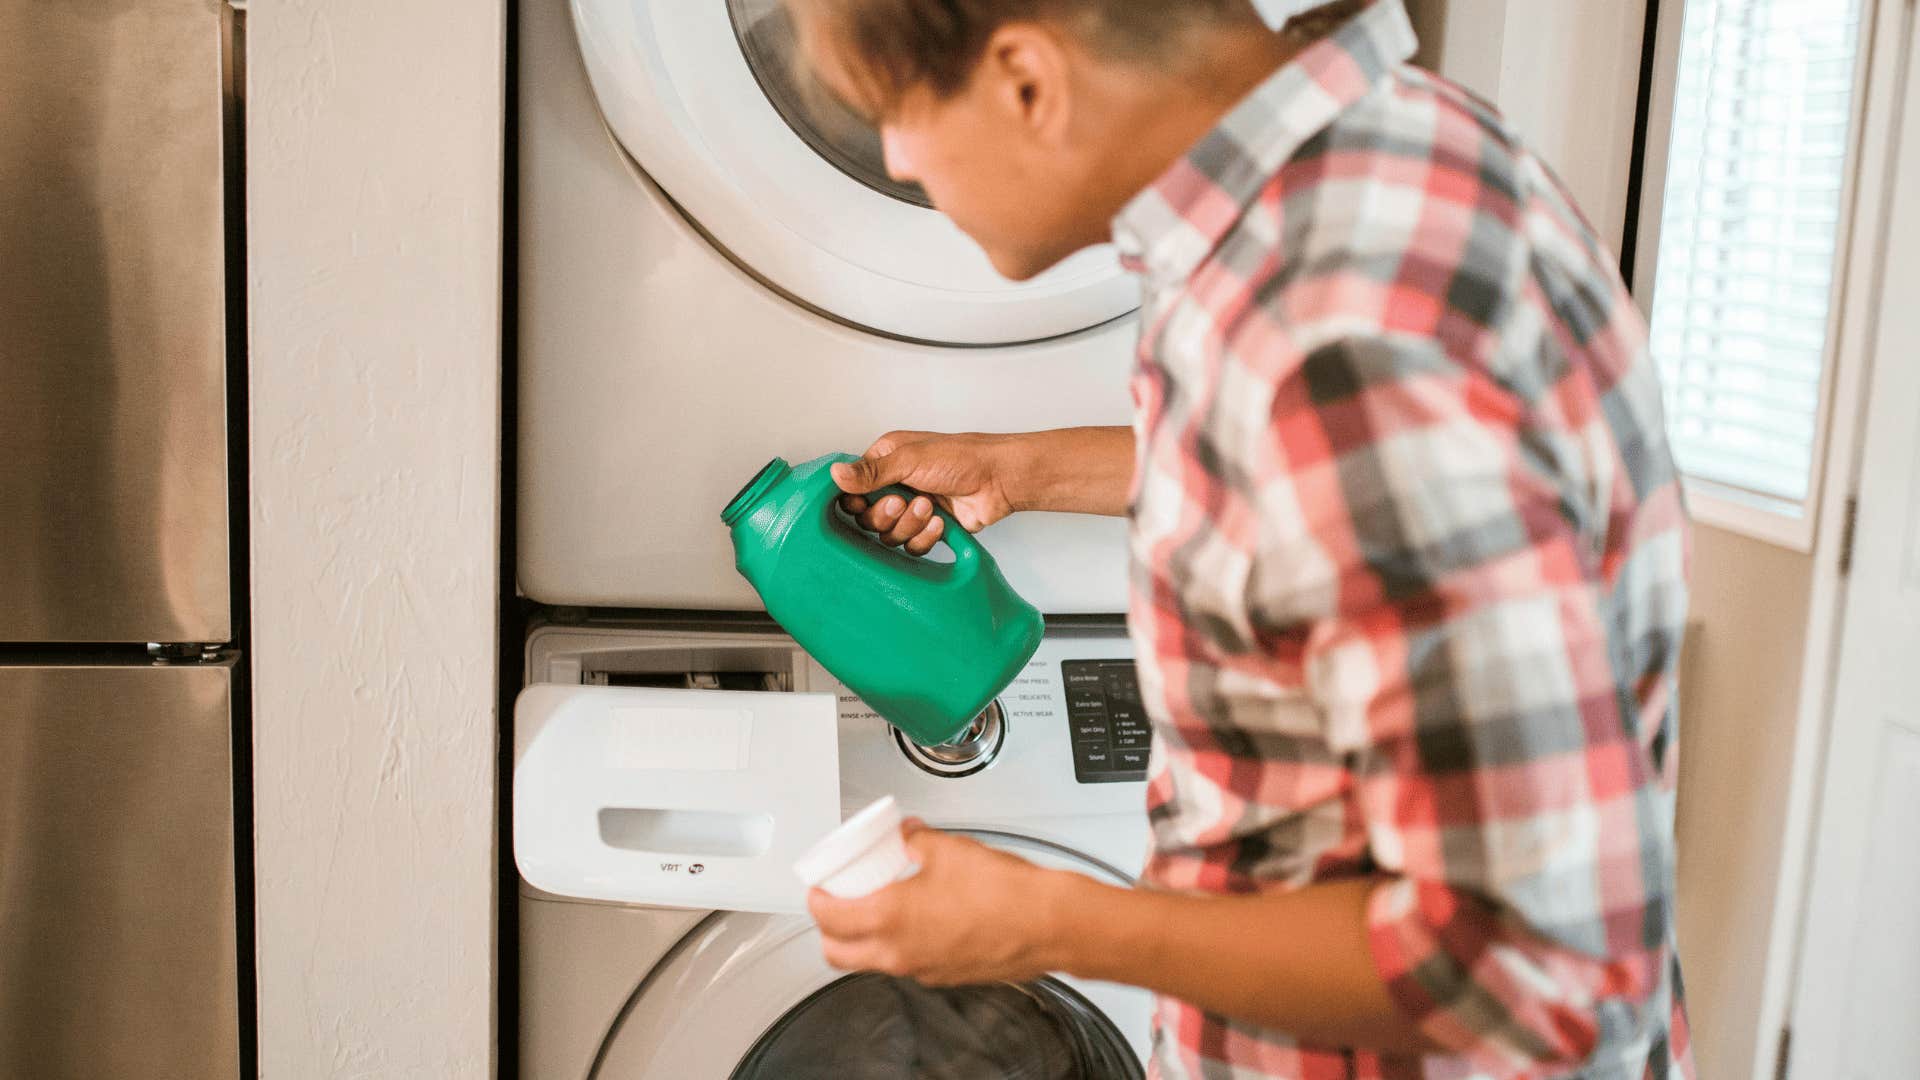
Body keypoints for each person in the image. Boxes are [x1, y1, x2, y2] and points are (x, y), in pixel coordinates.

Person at [788, 1, 1694, 1076]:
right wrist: (1017, 467)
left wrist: (1048, 922)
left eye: (898, 112)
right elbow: (1320, 494)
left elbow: (1534, 965)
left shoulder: (1335, 328)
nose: (895, 156)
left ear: (1028, 82)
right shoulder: (1377, 158)